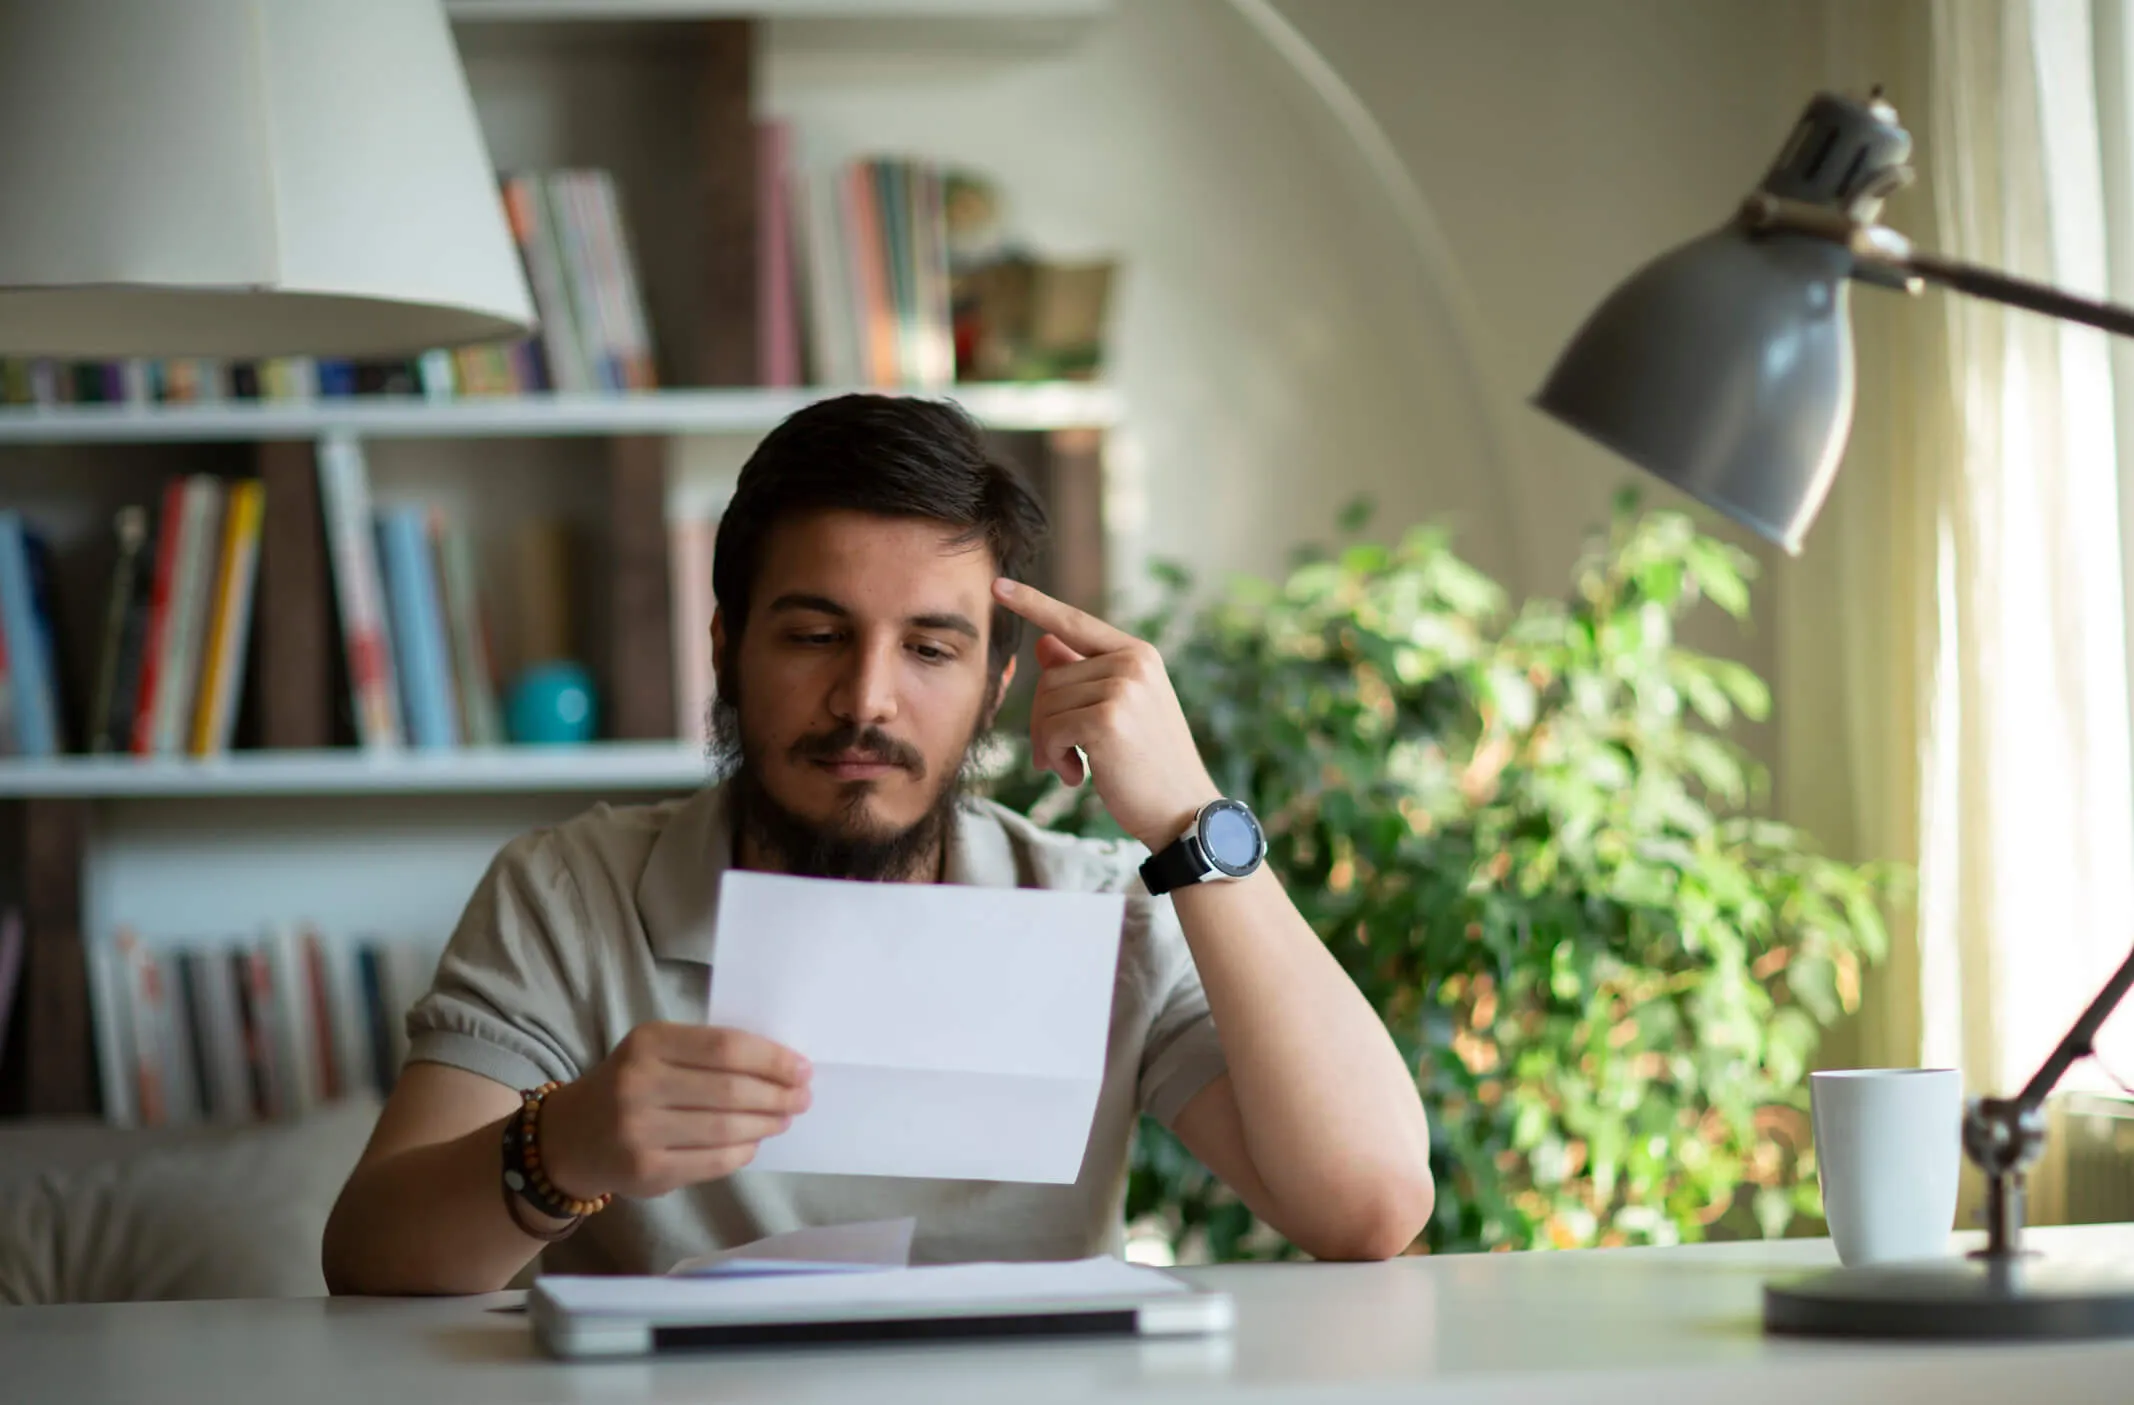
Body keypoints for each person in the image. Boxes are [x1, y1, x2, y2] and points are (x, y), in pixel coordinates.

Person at [323, 395, 1433, 1294]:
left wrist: (1191, 818)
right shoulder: (566, 891)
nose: (865, 700)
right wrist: (560, 1146)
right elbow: (370, 1261)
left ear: (1000, 680)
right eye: (814, 635)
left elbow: (1369, 1204)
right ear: (726, 646)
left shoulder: (1104, 912)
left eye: (931, 649)